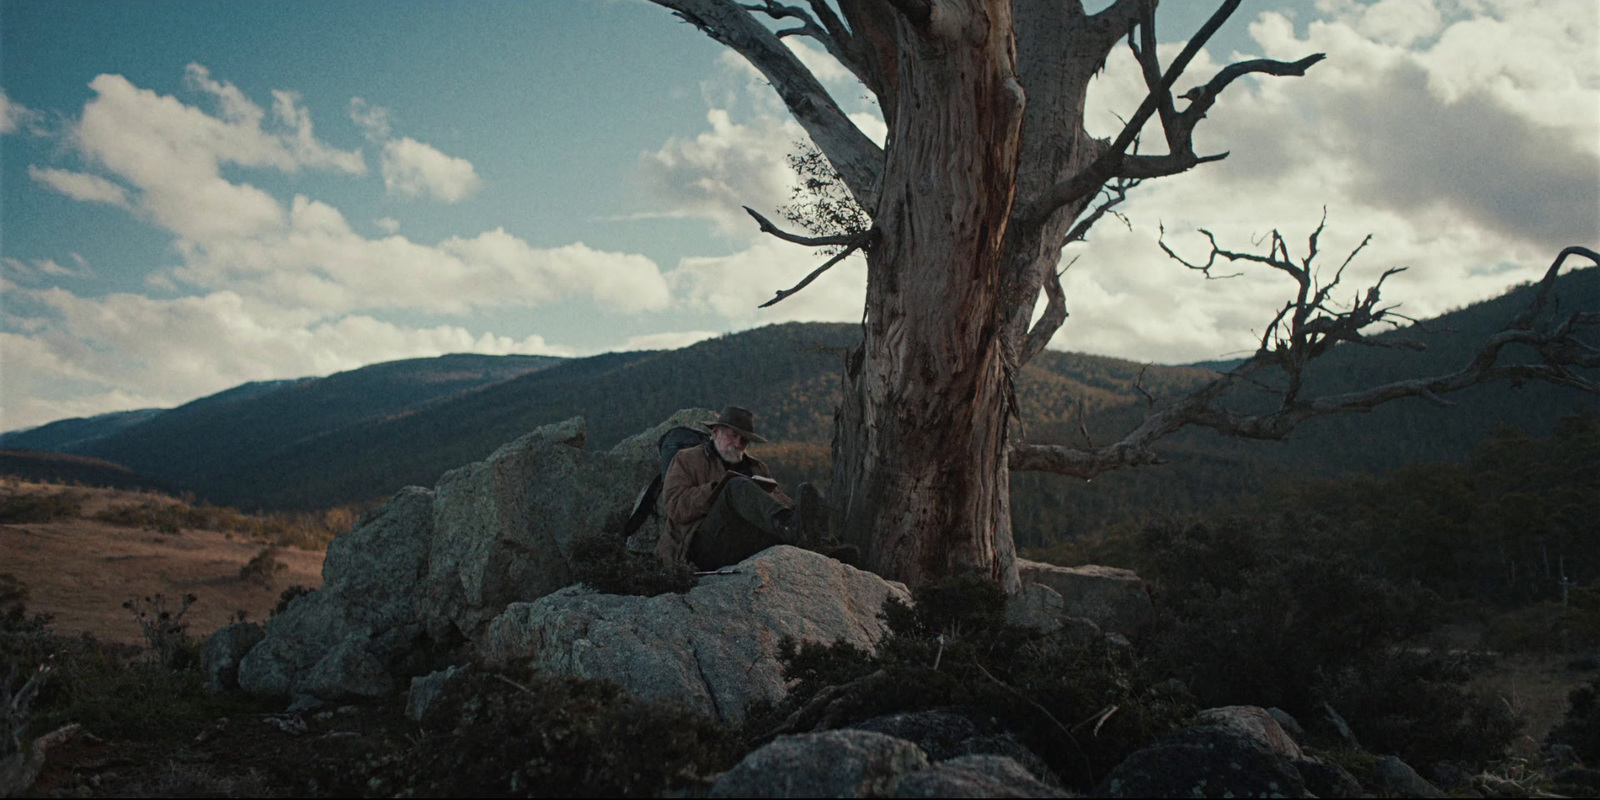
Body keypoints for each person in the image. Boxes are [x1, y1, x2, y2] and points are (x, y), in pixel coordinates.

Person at [656, 406, 835, 571]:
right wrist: (718, 489)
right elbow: (675, 506)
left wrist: (794, 510)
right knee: (736, 485)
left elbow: (779, 500)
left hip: (743, 542)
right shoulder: (687, 459)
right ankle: (793, 531)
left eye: (744, 440)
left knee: (792, 513)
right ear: (716, 432)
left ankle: (824, 550)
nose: (738, 443)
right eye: (733, 435)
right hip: (699, 548)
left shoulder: (757, 467)